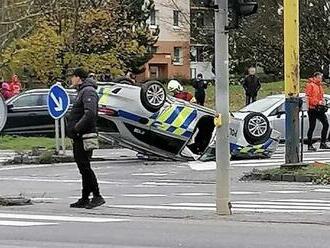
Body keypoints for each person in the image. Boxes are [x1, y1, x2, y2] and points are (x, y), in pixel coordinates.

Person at [66, 68, 105, 209]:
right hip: (79, 136)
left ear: (78, 77)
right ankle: (85, 197)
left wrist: (77, 128)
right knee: (83, 167)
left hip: (84, 135)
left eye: (72, 77)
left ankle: (97, 195)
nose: (71, 79)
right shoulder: (82, 91)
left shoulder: (88, 91)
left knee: (85, 167)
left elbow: (90, 113)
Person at [305, 72, 330, 151]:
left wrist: (323, 102)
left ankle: (323, 143)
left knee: (326, 124)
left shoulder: (319, 86)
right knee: (312, 126)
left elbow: (321, 96)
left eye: (321, 78)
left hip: (319, 108)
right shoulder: (311, 85)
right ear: (315, 77)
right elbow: (308, 97)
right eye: (319, 77)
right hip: (312, 108)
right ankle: (309, 144)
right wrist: (313, 104)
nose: (320, 79)